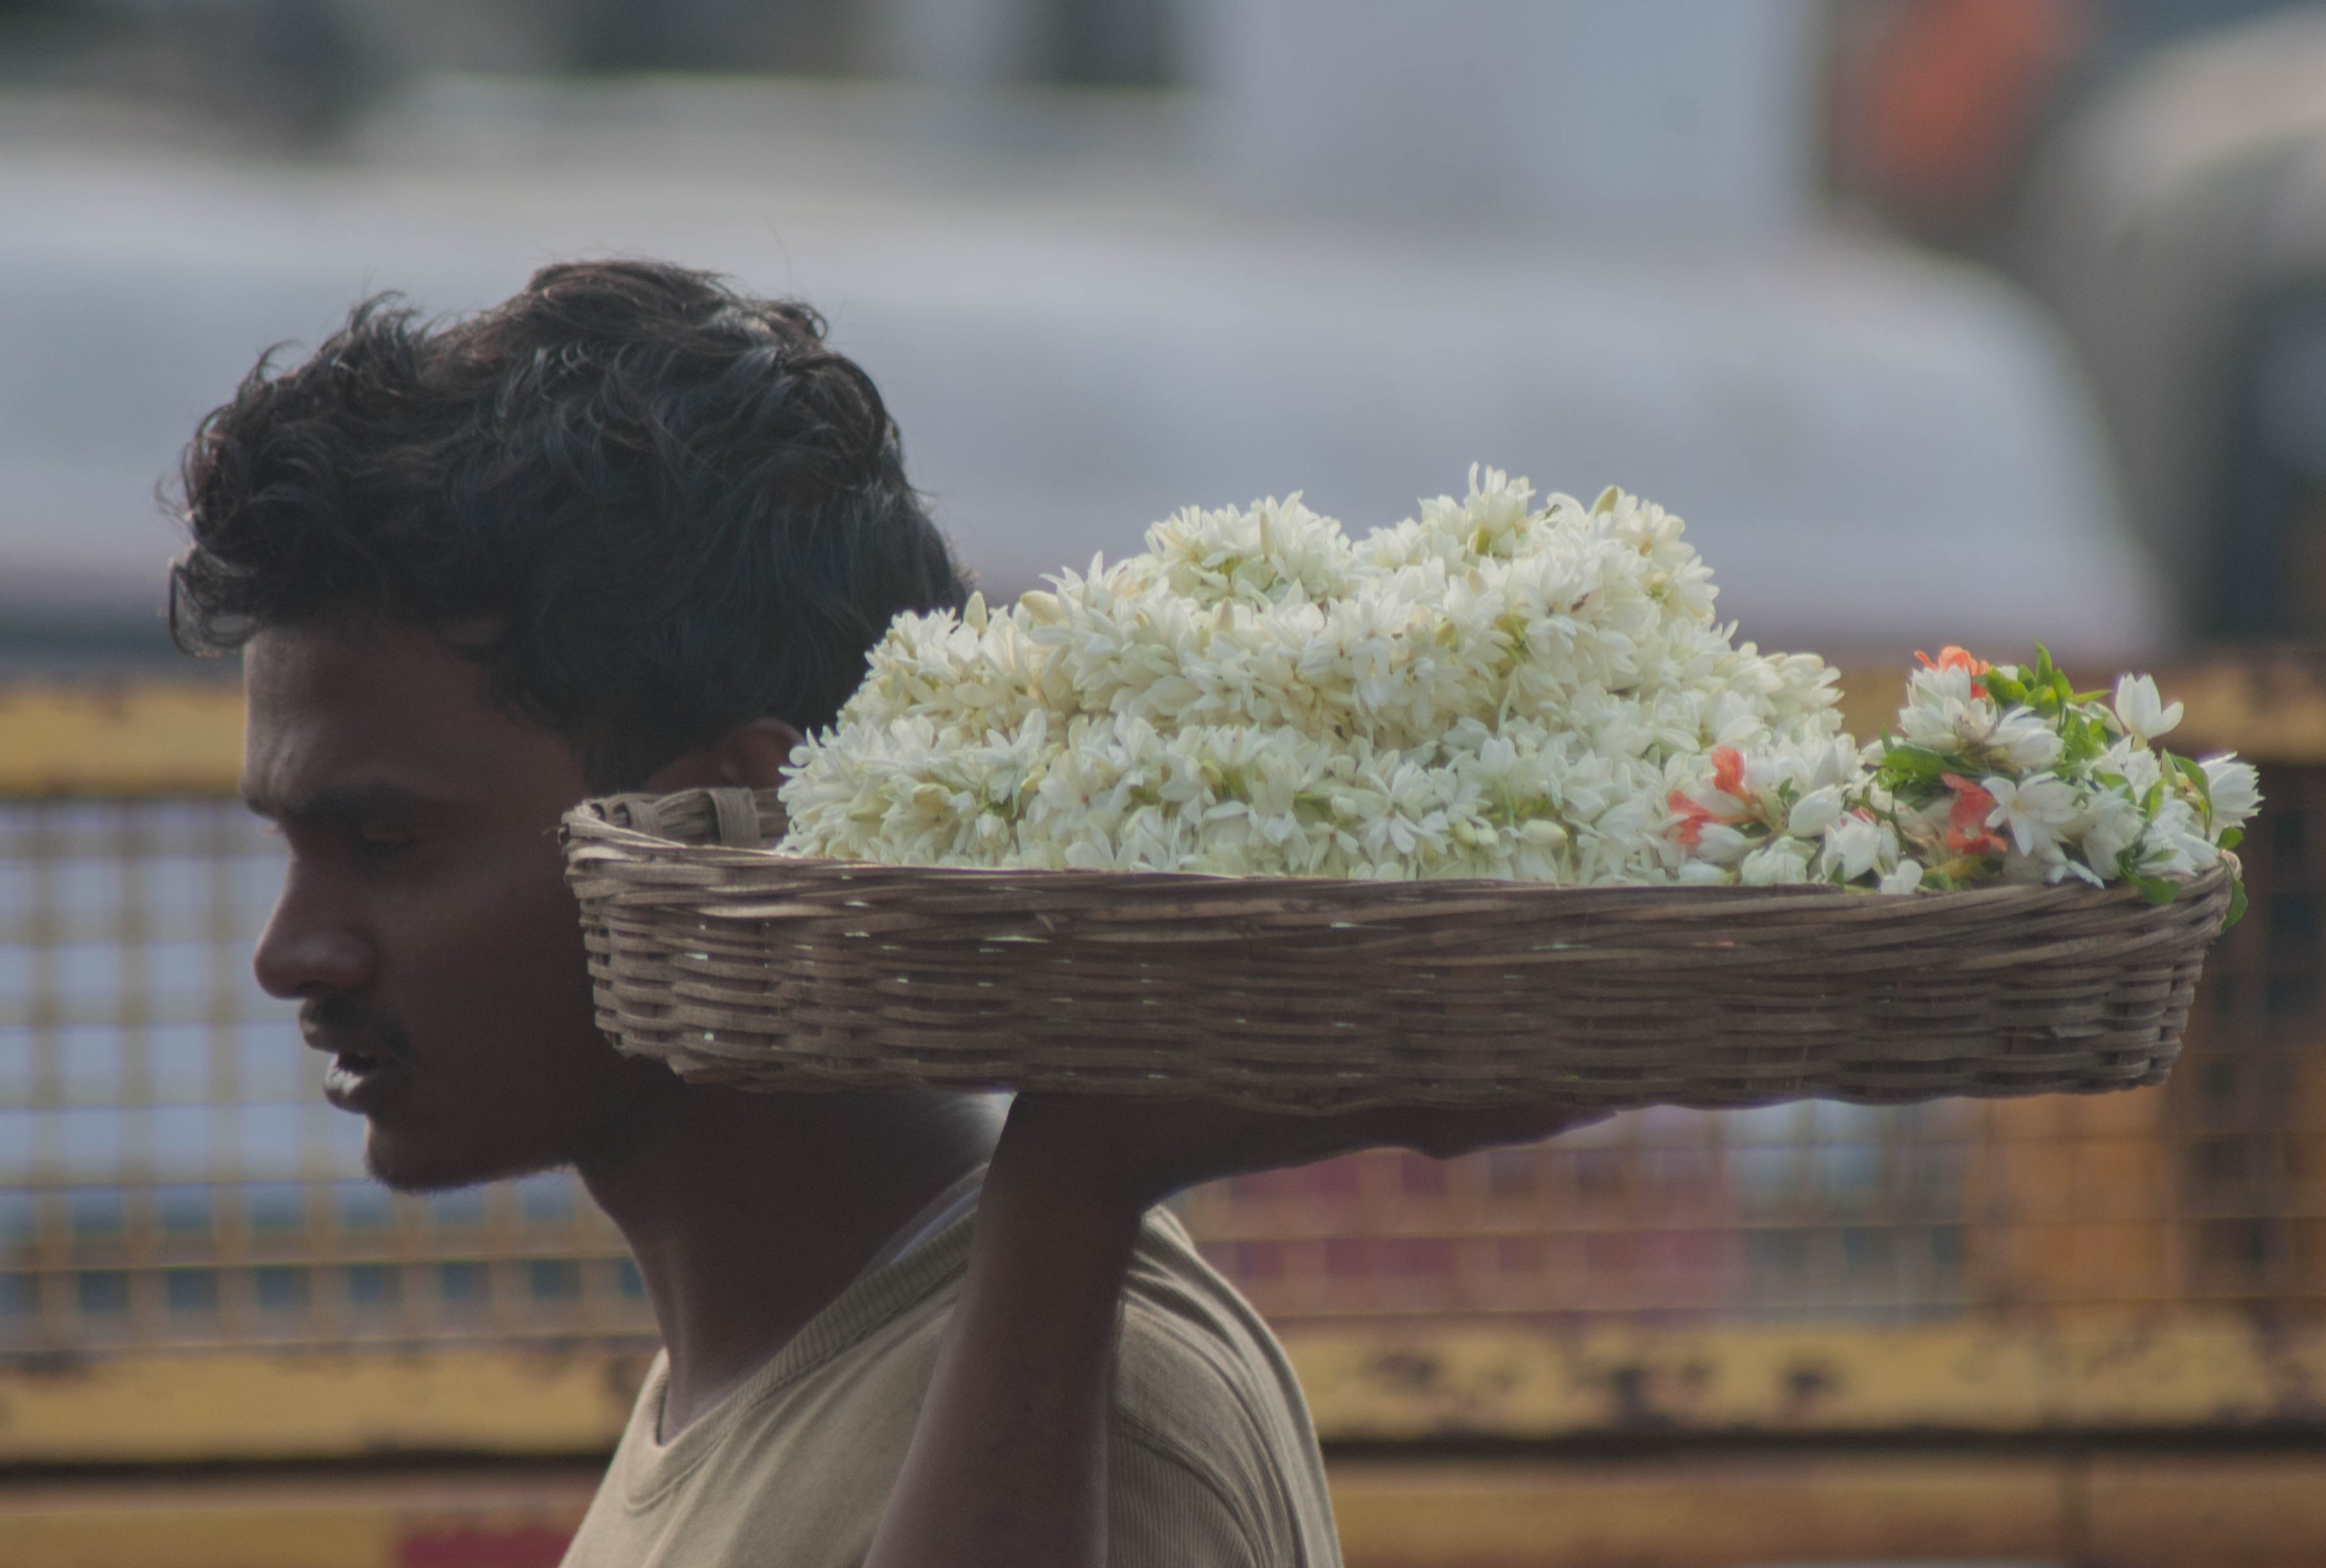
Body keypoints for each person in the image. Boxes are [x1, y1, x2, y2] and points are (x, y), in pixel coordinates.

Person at [170, 258, 1590, 1568]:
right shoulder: (766, 1371)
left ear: (735, 825)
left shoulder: (1099, 1431)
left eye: (387, 841)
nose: (292, 951)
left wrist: (1075, 1186)